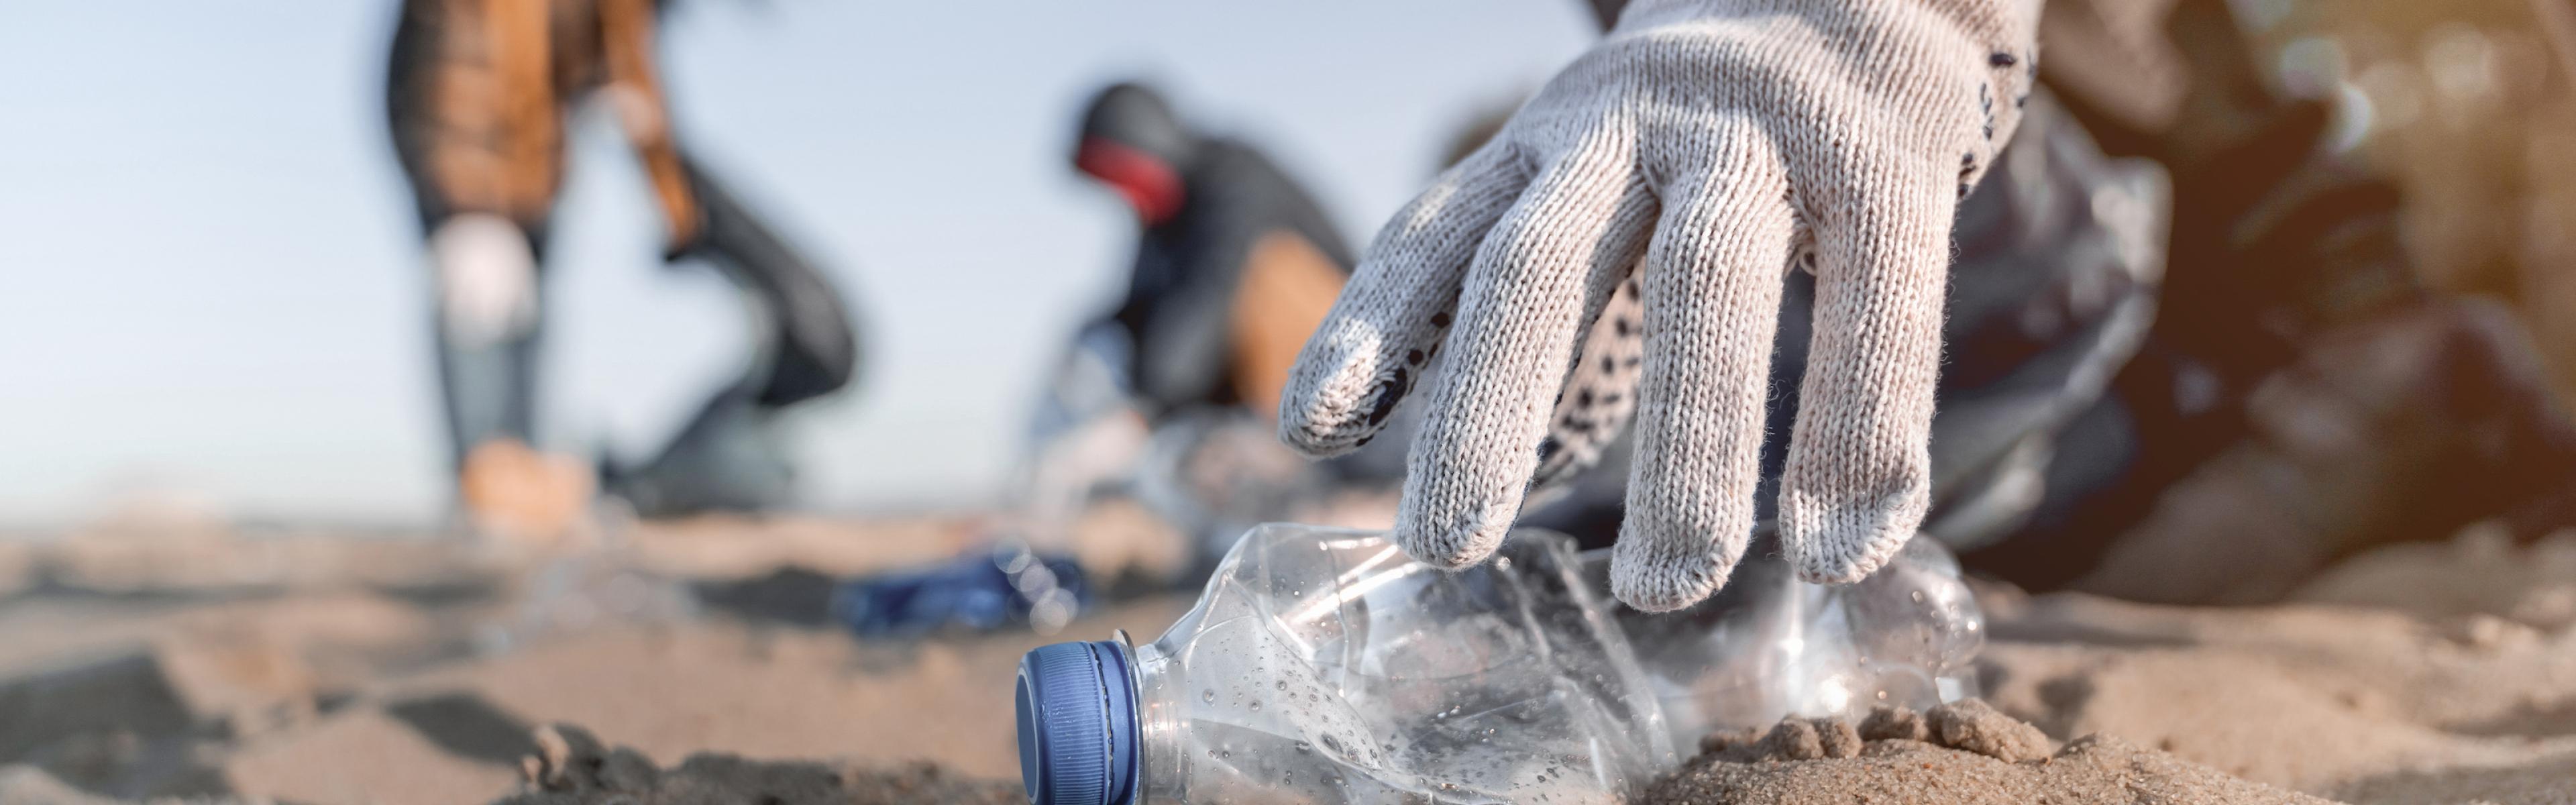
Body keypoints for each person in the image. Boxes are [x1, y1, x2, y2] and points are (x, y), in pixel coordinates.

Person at [384, 0, 861, 538]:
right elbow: (452, 66)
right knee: (478, 318)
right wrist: (464, 209)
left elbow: (591, 46)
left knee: (522, 331)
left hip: (535, 174)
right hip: (474, 177)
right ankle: (484, 506)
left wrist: (610, 86)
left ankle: (518, 497)